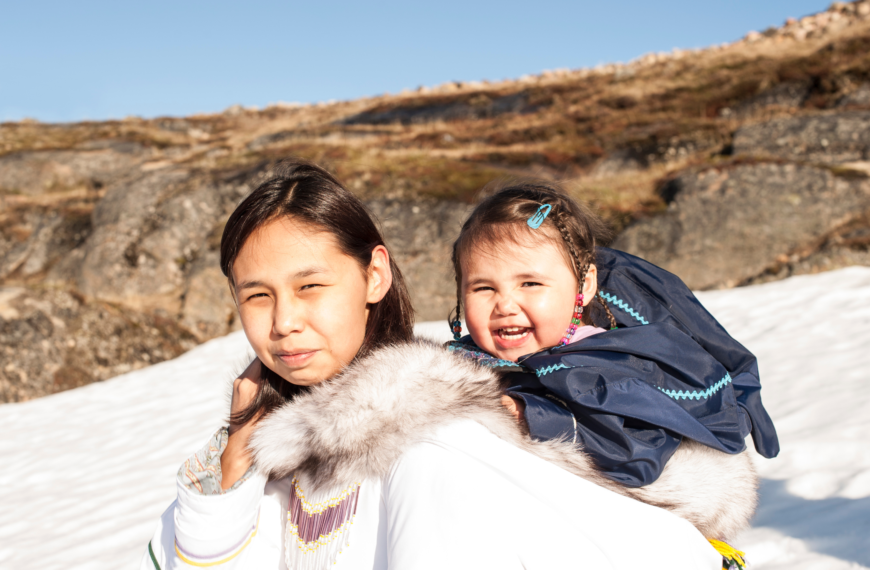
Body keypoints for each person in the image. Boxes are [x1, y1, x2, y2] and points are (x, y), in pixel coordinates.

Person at [142, 161, 723, 570]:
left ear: (374, 274)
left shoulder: (441, 431)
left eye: (311, 285)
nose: (284, 321)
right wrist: (229, 473)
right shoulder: (271, 444)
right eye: (257, 295)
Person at [446, 180, 780, 547]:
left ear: (584, 286)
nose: (505, 304)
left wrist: (534, 413)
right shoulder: (462, 364)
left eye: (530, 283)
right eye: (483, 288)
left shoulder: (616, 363)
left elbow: (637, 449)